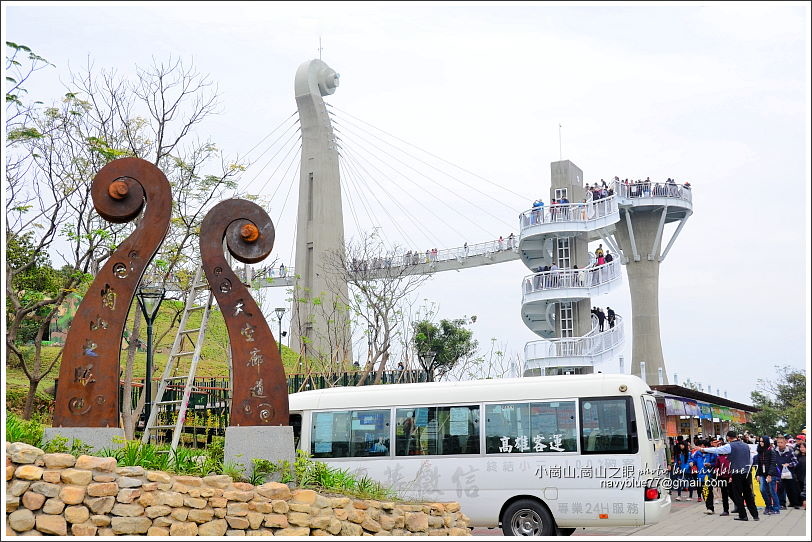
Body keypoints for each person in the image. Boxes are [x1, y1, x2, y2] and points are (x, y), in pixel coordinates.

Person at [696, 431, 760, 521]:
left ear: (728, 438)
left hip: (736, 473)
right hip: (746, 472)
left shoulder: (730, 446)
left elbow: (717, 450)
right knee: (748, 494)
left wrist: (703, 450)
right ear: (736, 436)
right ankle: (755, 515)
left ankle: (743, 515)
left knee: (737, 495)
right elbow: (750, 460)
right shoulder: (746, 445)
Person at [755, 436, 780, 515]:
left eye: (762, 441)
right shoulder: (760, 451)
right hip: (762, 474)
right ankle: (768, 506)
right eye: (760, 441)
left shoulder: (771, 451)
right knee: (763, 490)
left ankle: (776, 508)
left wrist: (769, 475)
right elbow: (759, 464)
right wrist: (758, 474)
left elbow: (773, 464)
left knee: (772, 491)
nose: (761, 443)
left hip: (771, 474)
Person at [775, 435, 801, 509]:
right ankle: (782, 504)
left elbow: (796, 462)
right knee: (780, 489)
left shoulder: (790, 451)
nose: (779, 444)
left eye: (781, 442)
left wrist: (789, 464)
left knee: (792, 488)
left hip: (789, 473)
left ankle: (795, 503)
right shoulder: (774, 451)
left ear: (785, 442)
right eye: (778, 442)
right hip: (779, 473)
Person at [794, 440, 806, 509]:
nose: (802, 449)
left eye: (803, 447)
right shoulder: (797, 456)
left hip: (806, 474)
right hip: (799, 475)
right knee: (799, 488)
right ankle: (800, 502)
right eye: (801, 447)